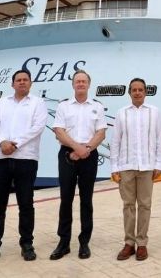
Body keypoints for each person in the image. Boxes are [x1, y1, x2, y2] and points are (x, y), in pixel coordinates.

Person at [0, 70, 47, 265]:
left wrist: (14, 144)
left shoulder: (38, 104)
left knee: (26, 204)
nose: (22, 82)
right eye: (18, 80)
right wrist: (1, 142)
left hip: (26, 159)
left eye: (25, 80)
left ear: (30, 83)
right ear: (12, 84)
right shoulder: (1, 103)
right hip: (0, 158)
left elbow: (38, 127)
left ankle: (27, 244)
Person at [50, 70, 107, 260]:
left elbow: (101, 133)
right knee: (66, 199)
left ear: (89, 85)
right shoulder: (63, 106)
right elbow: (58, 131)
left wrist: (86, 148)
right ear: (73, 85)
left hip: (89, 155)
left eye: (84, 81)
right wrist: (77, 148)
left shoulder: (97, 107)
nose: (80, 84)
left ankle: (84, 243)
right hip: (68, 154)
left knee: (86, 200)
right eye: (77, 81)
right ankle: (63, 243)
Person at [110, 78, 161, 261]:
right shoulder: (121, 113)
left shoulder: (154, 112)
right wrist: (114, 167)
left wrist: (158, 164)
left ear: (145, 92)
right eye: (134, 90)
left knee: (145, 206)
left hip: (147, 167)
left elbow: (159, 140)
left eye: (141, 89)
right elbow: (115, 141)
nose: (138, 92)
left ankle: (142, 244)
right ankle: (129, 243)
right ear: (129, 92)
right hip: (126, 166)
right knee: (128, 206)